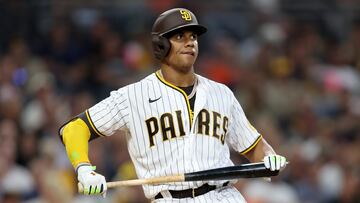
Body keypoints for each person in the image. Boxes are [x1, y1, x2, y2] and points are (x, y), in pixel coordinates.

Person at [59, 8, 287, 202]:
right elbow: (73, 128)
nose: (190, 42)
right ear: (160, 45)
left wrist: (269, 156)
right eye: (180, 37)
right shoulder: (133, 96)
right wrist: (84, 169)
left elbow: (254, 146)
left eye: (193, 37)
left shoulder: (222, 93)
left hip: (223, 195)